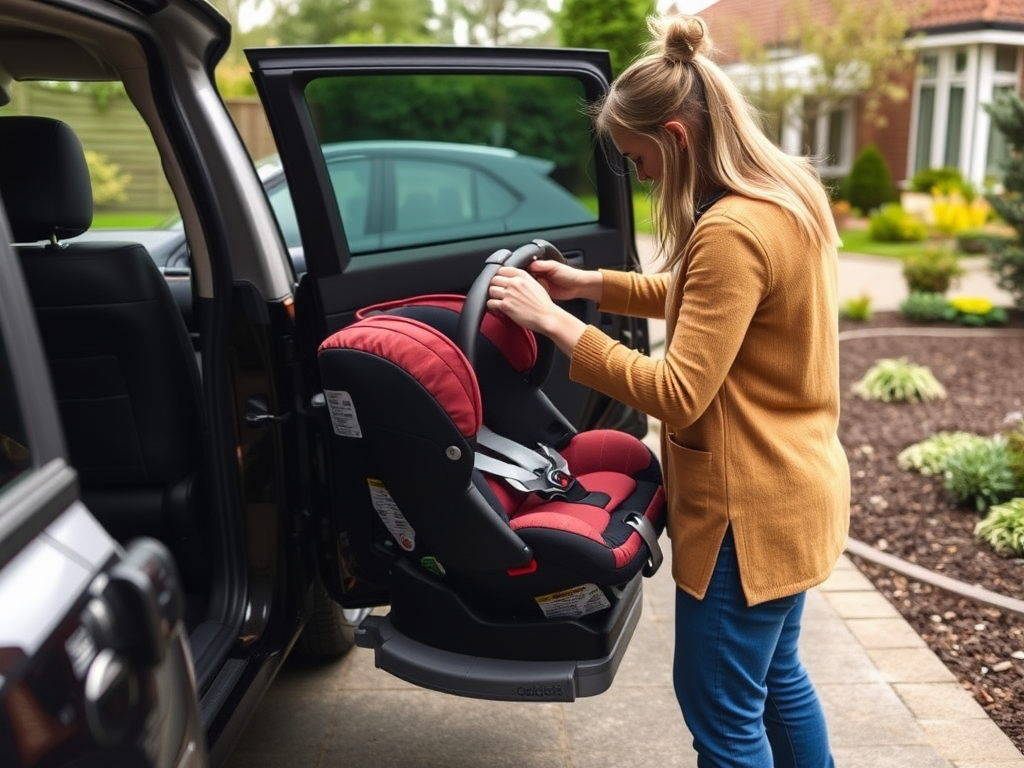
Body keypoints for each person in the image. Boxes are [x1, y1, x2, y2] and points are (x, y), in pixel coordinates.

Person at [486, 13, 851, 768]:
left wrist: (556, 324)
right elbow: (709, 300)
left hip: (741, 520)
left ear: (677, 138)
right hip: (793, 493)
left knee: (722, 716)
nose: (642, 177)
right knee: (777, 681)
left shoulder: (728, 230)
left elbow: (680, 389)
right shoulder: (786, 195)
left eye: (640, 161)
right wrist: (592, 285)